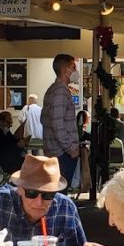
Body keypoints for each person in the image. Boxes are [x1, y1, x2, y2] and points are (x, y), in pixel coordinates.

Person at [42, 53, 81, 185]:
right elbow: (57, 124)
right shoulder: (60, 92)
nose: (76, 71)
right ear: (65, 70)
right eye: (73, 67)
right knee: (59, 191)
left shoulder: (52, 90)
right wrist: (71, 149)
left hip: (54, 151)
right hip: (61, 154)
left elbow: (45, 119)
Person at [0, 110, 28, 174]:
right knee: (28, 163)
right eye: (9, 123)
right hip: (3, 163)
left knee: (28, 160)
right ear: (1, 122)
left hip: (7, 160)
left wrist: (21, 140)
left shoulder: (4, 130)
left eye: (11, 123)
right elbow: (4, 150)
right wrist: (17, 146)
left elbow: (12, 140)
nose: (11, 125)